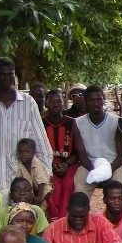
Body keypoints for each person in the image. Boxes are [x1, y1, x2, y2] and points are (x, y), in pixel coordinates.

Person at [0, 57, 53, 193]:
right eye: (2, 74)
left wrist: (46, 172)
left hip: (25, 178)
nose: (6, 78)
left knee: (26, 208)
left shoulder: (28, 103)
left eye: (10, 74)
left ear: (14, 75)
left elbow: (41, 140)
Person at [72, 85, 122, 199]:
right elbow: (82, 155)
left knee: (120, 189)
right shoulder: (78, 123)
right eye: (91, 100)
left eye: (98, 99)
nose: (95, 103)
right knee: (80, 190)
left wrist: (107, 171)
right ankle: (80, 211)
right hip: (89, 165)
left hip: (114, 164)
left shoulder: (116, 121)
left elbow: (121, 156)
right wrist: (96, 172)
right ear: (85, 102)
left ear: (103, 100)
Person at [43, 89, 79, 220]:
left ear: (63, 103)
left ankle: (64, 218)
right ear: (46, 104)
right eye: (51, 101)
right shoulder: (41, 123)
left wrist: (66, 164)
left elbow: (78, 151)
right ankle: (53, 218)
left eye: (58, 101)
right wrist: (52, 164)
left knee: (69, 183)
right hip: (48, 164)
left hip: (69, 163)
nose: (55, 104)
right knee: (53, 185)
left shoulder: (72, 122)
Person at [16, 137, 52, 211]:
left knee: (42, 204)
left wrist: (40, 196)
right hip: (31, 190)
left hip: (43, 190)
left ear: (33, 153)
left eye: (27, 152)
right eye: (21, 152)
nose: (23, 154)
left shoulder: (36, 162)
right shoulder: (19, 163)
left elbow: (41, 181)